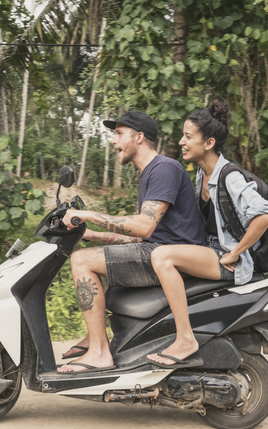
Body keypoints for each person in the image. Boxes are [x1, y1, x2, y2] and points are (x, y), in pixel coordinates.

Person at [58, 110, 206, 373]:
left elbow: (145, 226)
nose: (114, 142)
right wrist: (92, 234)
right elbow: (140, 234)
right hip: (157, 249)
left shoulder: (163, 169)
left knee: (82, 260)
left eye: (118, 134)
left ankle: (100, 352)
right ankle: (96, 338)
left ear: (138, 138)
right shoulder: (152, 173)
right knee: (92, 252)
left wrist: (87, 214)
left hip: (169, 256)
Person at [146, 100, 268, 368]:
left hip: (227, 257)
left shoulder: (229, 176)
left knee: (163, 258)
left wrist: (236, 252)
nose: (182, 142)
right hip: (211, 249)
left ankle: (186, 339)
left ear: (208, 143)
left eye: (188, 136)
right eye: (183, 135)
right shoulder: (202, 175)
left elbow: (265, 214)